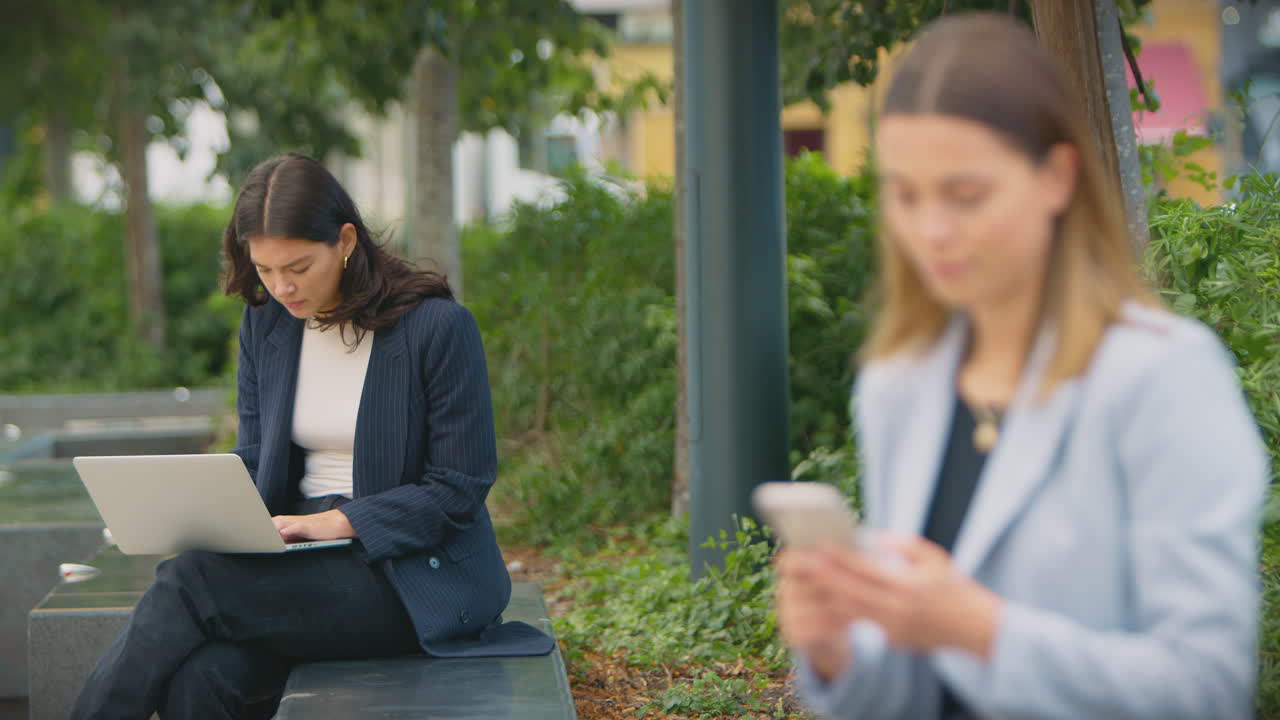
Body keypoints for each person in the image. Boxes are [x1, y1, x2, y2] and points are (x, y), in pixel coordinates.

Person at [775, 13, 1267, 720]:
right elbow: (912, 691)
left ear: (1057, 177)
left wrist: (979, 630)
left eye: (965, 194)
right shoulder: (899, 384)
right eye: (905, 195)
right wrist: (836, 651)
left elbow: (1206, 691)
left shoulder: (1163, 378)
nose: (932, 230)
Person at [72, 153, 552, 719]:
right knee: (201, 679)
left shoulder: (436, 329)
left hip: (409, 574)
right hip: (302, 557)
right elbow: (255, 459)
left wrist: (338, 521)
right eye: (266, 269)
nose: (281, 287)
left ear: (345, 240)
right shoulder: (267, 324)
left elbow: (458, 487)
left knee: (189, 580)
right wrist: (194, 507)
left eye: (297, 267)